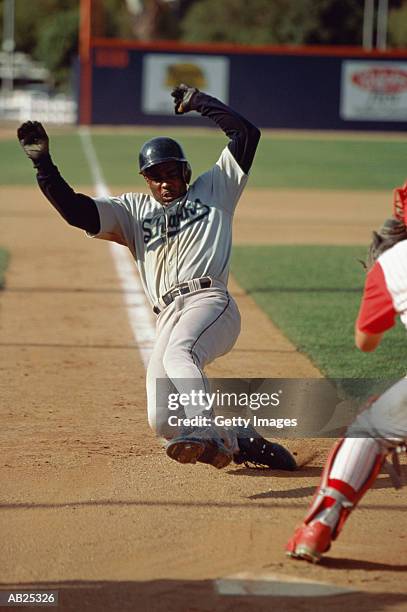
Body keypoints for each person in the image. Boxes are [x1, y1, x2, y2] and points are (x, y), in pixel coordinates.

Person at [17, 84, 297, 472]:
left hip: (209, 302)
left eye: (171, 172)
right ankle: (239, 437)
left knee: (180, 354)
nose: (164, 181)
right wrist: (44, 166)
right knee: (163, 420)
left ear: (185, 172)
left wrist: (199, 102)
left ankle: (205, 427)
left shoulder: (215, 189)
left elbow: (246, 134)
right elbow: (76, 212)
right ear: (145, 179)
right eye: (155, 175)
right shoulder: (132, 210)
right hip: (168, 315)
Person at [285, 207, 407, 563]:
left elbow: (366, 342)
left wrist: (384, 281)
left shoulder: (395, 262)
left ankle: (320, 524)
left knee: (370, 429)